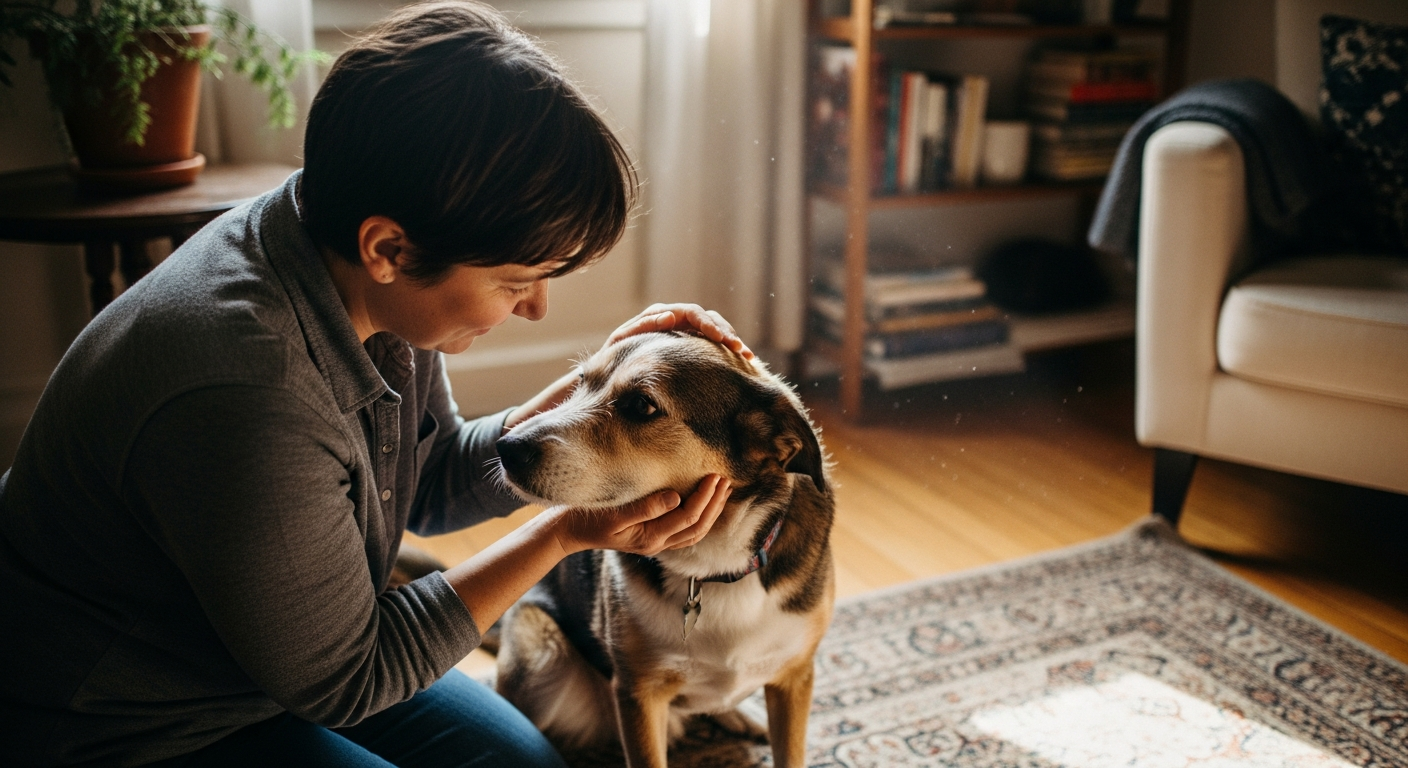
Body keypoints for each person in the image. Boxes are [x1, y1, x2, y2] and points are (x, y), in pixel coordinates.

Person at [0, 2, 750, 765]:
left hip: (271, 659)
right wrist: (562, 533)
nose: (536, 309)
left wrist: (601, 384)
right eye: (516, 280)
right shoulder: (248, 394)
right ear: (389, 247)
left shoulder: (345, 255)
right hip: (123, 723)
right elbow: (350, 679)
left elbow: (428, 482)